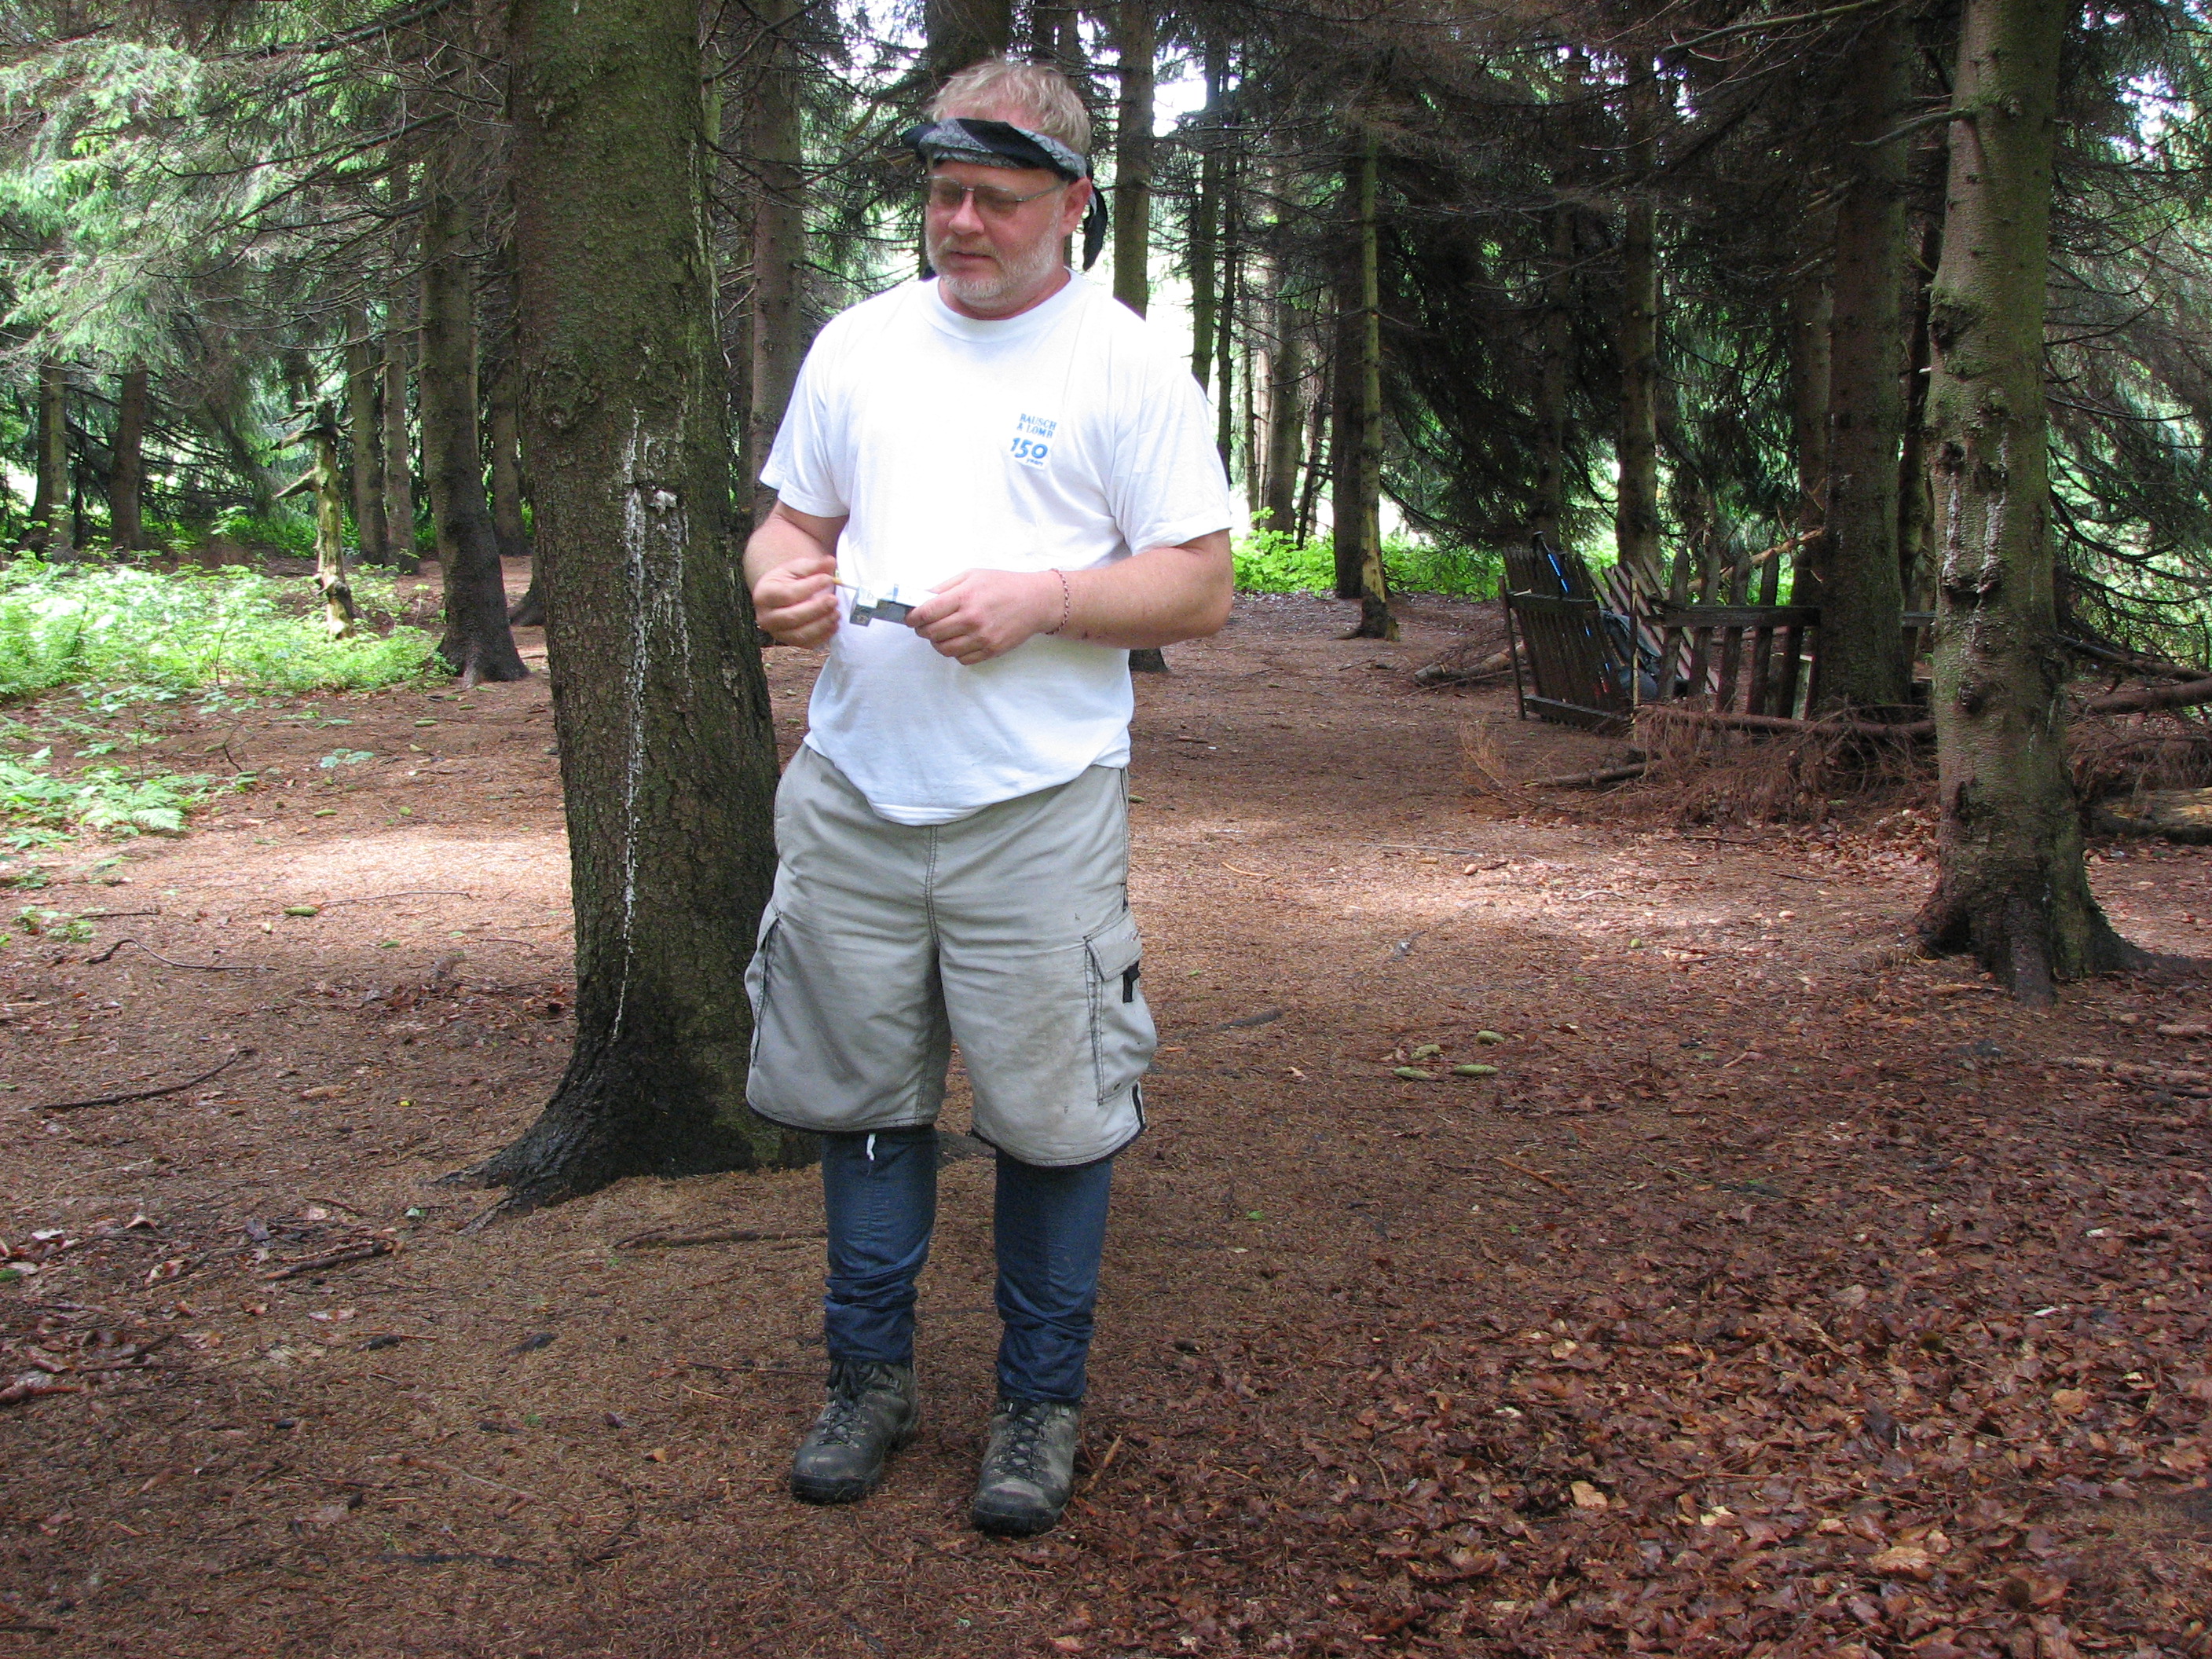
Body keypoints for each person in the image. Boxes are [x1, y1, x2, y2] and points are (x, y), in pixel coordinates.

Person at [740, 57, 1233, 1537]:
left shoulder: (1124, 366)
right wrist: (778, 580)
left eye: (997, 199)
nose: (961, 222)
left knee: (1053, 1118)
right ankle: (867, 1384)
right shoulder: (858, 346)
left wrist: (1049, 598)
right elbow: (791, 525)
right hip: (854, 792)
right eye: (944, 193)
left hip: (1037, 807)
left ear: (1072, 205)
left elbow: (1202, 584)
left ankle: (1037, 1405)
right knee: (859, 1103)